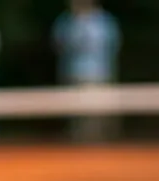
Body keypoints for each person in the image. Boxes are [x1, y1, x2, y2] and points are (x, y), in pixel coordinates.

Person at [52, 0, 121, 143]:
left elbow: (113, 46)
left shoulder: (104, 21)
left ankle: (98, 141)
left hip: (99, 73)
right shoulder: (66, 21)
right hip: (72, 73)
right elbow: (58, 45)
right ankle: (79, 142)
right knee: (75, 113)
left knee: (98, 111)